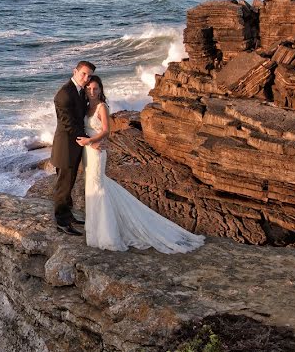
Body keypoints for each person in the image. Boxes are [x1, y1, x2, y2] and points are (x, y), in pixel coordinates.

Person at [75, 75, 204, 253]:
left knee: (99, 188)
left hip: (96, 152)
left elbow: (106, 131)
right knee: (92, 188)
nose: (92, 91)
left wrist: (90, 141)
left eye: (95, 88)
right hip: (87, 152)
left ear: (100, 90)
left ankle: (107, 236)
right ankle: (95, 231)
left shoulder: (101, 107)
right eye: (89, 88)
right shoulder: (86, 107)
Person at [51, 61, 96, 235]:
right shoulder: (64, 94)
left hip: (74, 146)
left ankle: (68, 216)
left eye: (89, 75)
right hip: (65, 147)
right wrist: (89, 139)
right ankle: (61, 222)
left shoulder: (79, 91)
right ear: (75, 71)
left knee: (69, 184)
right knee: (63, 186)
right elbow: (68, 124)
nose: (86, 78)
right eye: (83, 74)